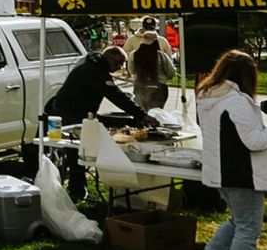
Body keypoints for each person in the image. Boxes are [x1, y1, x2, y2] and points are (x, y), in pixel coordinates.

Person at [188, 50, 267, 250]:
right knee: (247, 230)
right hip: (242, 174)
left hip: (220, 172)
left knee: (238, 222)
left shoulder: (208, 95)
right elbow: (254, 141)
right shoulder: (235, 100)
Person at [47, 46, 159, 200]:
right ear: (109, 58)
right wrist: (142, 115)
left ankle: (77, 188)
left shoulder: (94, 66)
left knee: (78, 150)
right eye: (118, 63)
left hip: (78, 111)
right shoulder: (96, 72)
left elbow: (115, 94)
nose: (119, 67)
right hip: (70, 112)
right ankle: (77, 190)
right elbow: (116, 96)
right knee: (78, 150)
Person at [128, 30, 175, 110]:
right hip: (160, 88)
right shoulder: (162, 56)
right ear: (156, 42)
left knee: (141, 113)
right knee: (157, 113)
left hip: (140, 87)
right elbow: (171, 72)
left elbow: (131, 70)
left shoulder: (134, 54)